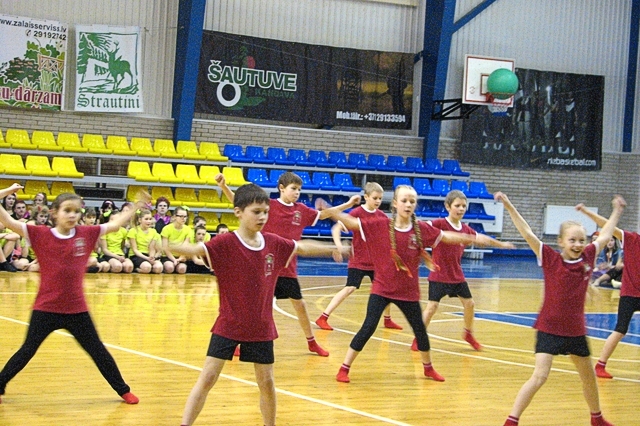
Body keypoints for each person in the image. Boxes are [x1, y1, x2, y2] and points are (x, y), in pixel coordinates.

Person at [171, 184, 349, 426]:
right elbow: (195, 248)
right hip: (228, 325)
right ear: (238, 212)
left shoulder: (273, 243)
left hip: (261, 327)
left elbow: (302, 246)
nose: (262, 217)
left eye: (265, 212)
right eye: (256, 212)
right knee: (208, 378)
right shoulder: (224, 243)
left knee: (266, 383)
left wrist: (333, 249)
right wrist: (165, 246)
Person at [331, 185, 503, 384]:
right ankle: (344, 367)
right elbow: (349, 222)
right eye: (404, 200)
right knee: (368, 327)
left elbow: (448, 237)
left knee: (420, 331)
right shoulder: (380, 224)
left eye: (412, 201)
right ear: (395, 203)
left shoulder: (421, 229)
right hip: (382, 288)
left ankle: (428, 368)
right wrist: (331, 210)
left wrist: (478, 239)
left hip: (408, 292)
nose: (408, 204)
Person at [0, 183, 146, 404]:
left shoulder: (87, 233)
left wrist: (135, 206)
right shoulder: (39, 234)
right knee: (27, 350)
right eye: (67, 210)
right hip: (46, 308)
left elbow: (115, 224)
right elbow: (8, 221)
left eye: (77, 211)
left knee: (97, 351)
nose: (72, 215)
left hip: (76, 310)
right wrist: (6, 192)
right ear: (54, 213)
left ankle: (123, 390)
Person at [495, 192, 625, 426]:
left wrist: (617, 211)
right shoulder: (550, 258)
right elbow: (527, 232)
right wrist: (508, 204)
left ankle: (597, 418)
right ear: (561, 242)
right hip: (549, 328)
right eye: (572, 240)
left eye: (582, 240)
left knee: (588, 377)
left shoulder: (588, 257)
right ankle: (511, 421)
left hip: (575, 331)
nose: (578, 244)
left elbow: (606, 234)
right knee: (539, 376)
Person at [216, 172, 358, 357]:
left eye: (299, 189)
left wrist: (348, 204)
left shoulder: (301, 210)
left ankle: (312, 342)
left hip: (287, 269)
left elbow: (324, 214)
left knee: (300, 305)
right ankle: (236, 341)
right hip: (264, 268)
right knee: (251, 307)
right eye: (293, 189)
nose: (297, 192)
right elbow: (240, 203)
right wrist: (224, 186)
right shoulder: (269, 206)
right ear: (281, 188)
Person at [411, 189, 515, 352]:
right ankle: (419, 338)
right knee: (431, 307)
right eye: (457, 205)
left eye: (464, 206)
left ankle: (468, 333)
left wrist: (501, 244)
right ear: (448, 206)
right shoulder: (439, 224)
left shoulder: (466, 229)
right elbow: (421, 227)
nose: (461, 209)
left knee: (470, 304)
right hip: (439, 275)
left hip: (456, 276)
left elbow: (481, 238)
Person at [315, 182, 403, 331]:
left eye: (380, 198)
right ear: (366, 197)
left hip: (375, 262)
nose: (378, 201)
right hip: (359, 261)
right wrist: (339, 246)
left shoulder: (381, 216)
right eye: (375, 198)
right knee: (349, 288)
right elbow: (337, 228)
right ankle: (323, 317)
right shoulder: (357, 213)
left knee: (386, 288)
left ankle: (387, 319)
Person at [576, 203, 638, 379]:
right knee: (620, 329)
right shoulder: (632, 239)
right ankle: (600, 365)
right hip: (630, 294)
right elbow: (607, 225)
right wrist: (587, 211)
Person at [128, 208, 163, 274]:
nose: (149, 221)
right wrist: (147, 258)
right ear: (140, 220)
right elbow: (135, 250)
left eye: (150, 219)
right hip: (137, 255)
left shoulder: (153, 231)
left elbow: (154, 248)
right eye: (146, 219)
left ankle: (150, 269)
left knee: (159, 268)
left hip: (149, 255)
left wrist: (153, 257)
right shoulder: (133, 231)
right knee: (146, 267)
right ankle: (136, 269)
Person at [161, 207, 191, 274]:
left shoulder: (188, 229)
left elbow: (185, 246)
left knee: (182, 269)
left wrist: (180, 259)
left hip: (180, 256)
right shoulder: (166, 229)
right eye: (181, 216)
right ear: (174, 217)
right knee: (169, 268)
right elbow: (165, 248)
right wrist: (174, 260)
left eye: (185, 216)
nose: (183, 218)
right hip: (168, 256)